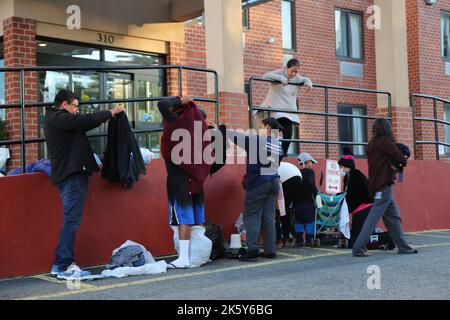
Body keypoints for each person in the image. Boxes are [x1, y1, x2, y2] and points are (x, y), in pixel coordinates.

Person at [44, 89, 125, 279]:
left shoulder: (61, 120)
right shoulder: (58, 118)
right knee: (71, 222)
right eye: (75, 106)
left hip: (71, 176)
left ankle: (60, 265)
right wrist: (111, 112)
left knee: (71, 221)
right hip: (71, 177)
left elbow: (83, 125)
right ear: (64, 104)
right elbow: (85, 121)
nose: (77, 110)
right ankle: (64, 265)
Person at [158, 96, 211, 269]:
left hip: (178, 179)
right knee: (196, 219)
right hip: (196, 180)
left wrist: (181, 100)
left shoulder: (177, 122)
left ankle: (183, 258)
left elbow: (162, 104)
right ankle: (199, 254)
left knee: (183, 219)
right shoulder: (201, 133)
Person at [352, 119, 418, 257]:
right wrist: (402, 155)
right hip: (384, 186)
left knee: (393, 217)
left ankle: (403, 246)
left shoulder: (372, 144)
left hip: (378, 186)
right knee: (373, 217)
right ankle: (358, 247)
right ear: (387, 129)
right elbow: (401, 158)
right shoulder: (385, 142)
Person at [228, 118, 284, 261]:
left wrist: (222, 130)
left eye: (262, 126)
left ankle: (253, 248)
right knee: (268, 217)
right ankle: (270, 250)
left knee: (251, 215)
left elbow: (239, 138)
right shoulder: (278, 144)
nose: (260, 129)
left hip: (259, 181)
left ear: (269, 128)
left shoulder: (260, 140)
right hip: (274, 181)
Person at [258, 58, 313, 155]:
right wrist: (280, 79)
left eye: (296, 71)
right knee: (273, 132)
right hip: (275, 109)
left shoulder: (296, 77)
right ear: (286, 68)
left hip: (288, 111)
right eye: (292, 71)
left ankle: (283, 154)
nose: (294, 73)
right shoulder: (279, 73)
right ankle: (271, 153)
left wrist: (308, 84)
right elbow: (266, 75)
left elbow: (305, 79)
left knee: (288, 133)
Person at [338, 147, 372, 248]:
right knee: (357, 231)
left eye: (341, 167)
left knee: (356, 234)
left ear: (347, 167)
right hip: (362, 206)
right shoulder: (352, 175)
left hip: (363, 206)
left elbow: (350, 194)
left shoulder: (353, 176)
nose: (340, 169)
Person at [276, 161, 303, 247]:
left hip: (286, 180)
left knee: (278, 211)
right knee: (285, 210)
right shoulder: (279, 165)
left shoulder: (268, 169)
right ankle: (287, 239)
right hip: (298, 177)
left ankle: (279, 240)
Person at [295, 152, 318, 246]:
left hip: (297, 202)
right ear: (307, 162)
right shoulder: (310, 172)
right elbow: (311, 185)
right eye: (311, 162)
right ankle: (309, 240)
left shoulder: (296, 172)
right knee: (310, 220)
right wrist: (317, 195)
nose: (312, 164)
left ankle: (299, 240)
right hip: (308, 201)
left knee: (299, 221)